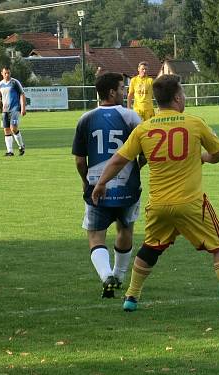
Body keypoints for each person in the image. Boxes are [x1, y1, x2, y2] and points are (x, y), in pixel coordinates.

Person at [91, 74, 219, 314]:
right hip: (190, 203)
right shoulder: (195, 123)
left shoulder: (144, 129)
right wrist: (202, 158)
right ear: (177, 97)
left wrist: (101, 183)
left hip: (159, 205)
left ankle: (131, 298)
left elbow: (118, 160)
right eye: (183, 93)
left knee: (150, 248)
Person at [73, 72, 143, 298]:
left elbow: (80, 160)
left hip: (96, 187)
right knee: (125, 229)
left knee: (95, 236)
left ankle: (106, 276)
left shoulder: (85, 118)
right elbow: (146, 152)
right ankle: (119, 276)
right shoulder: (131, 117)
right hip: (128, 188)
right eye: (122, 88)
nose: (124, 92)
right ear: (112, 92)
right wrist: (136, 170)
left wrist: (86, 182)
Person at [0, 67, 27, 157]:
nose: (7, 75)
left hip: (15, 109)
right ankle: (10, 151)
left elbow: (22, 94)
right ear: (2, 73)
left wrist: (23, 108)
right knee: (6, 130)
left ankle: (21, 146)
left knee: (13, 128)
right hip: (5, 110)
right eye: (5, 73)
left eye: (8, 73)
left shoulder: (15, 82)